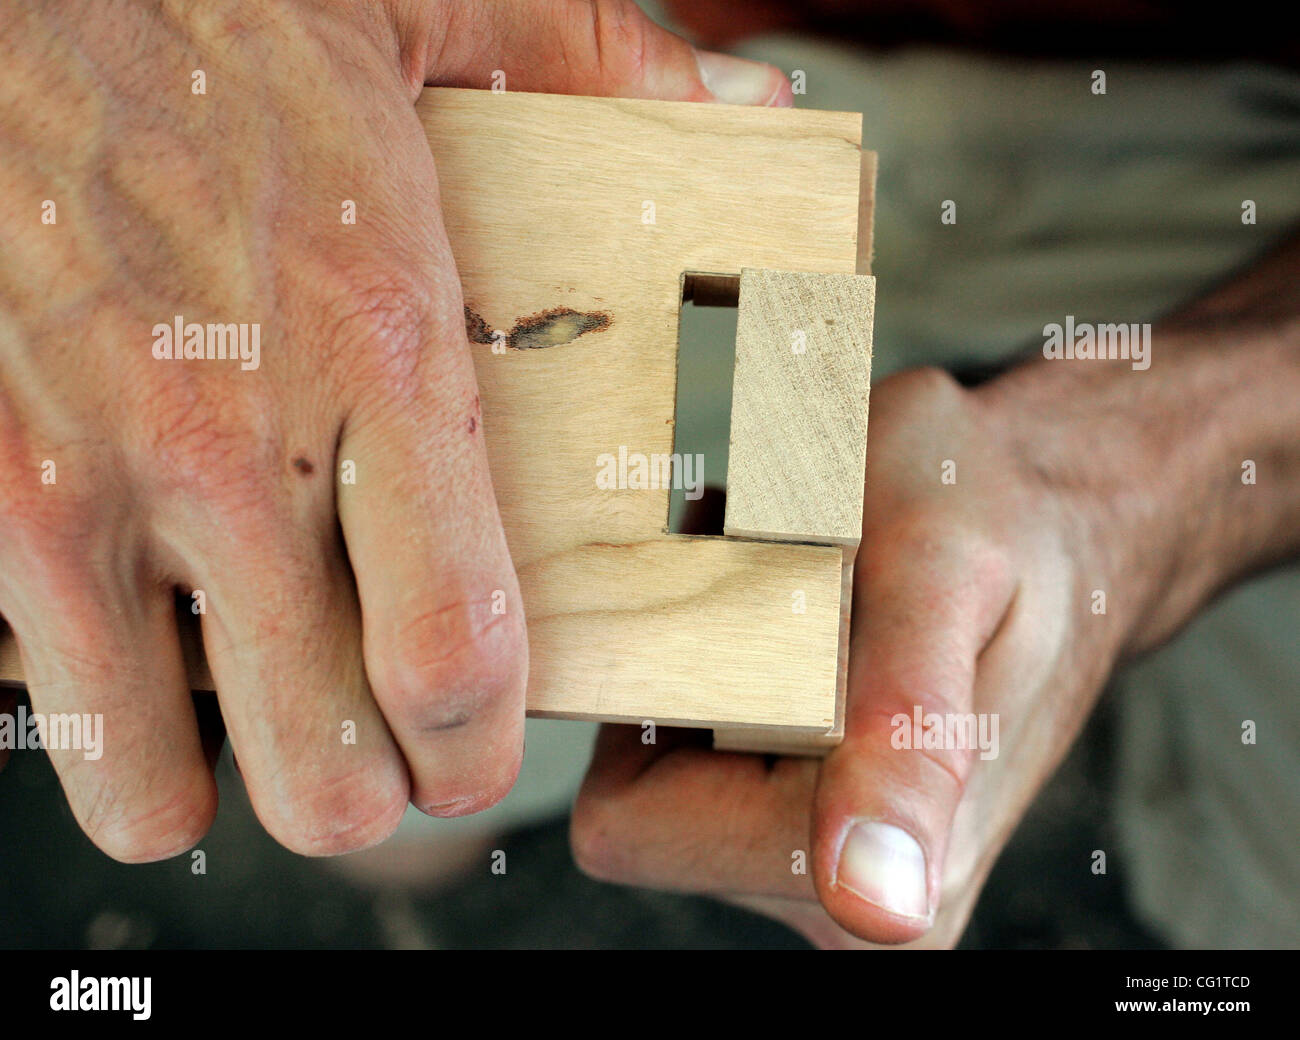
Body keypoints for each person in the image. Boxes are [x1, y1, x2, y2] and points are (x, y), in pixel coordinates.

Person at [2, 0, 1296, 949]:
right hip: (467, 72)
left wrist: (1154, 476)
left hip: (1228, 157)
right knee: (387, 699)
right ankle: (434, 818)